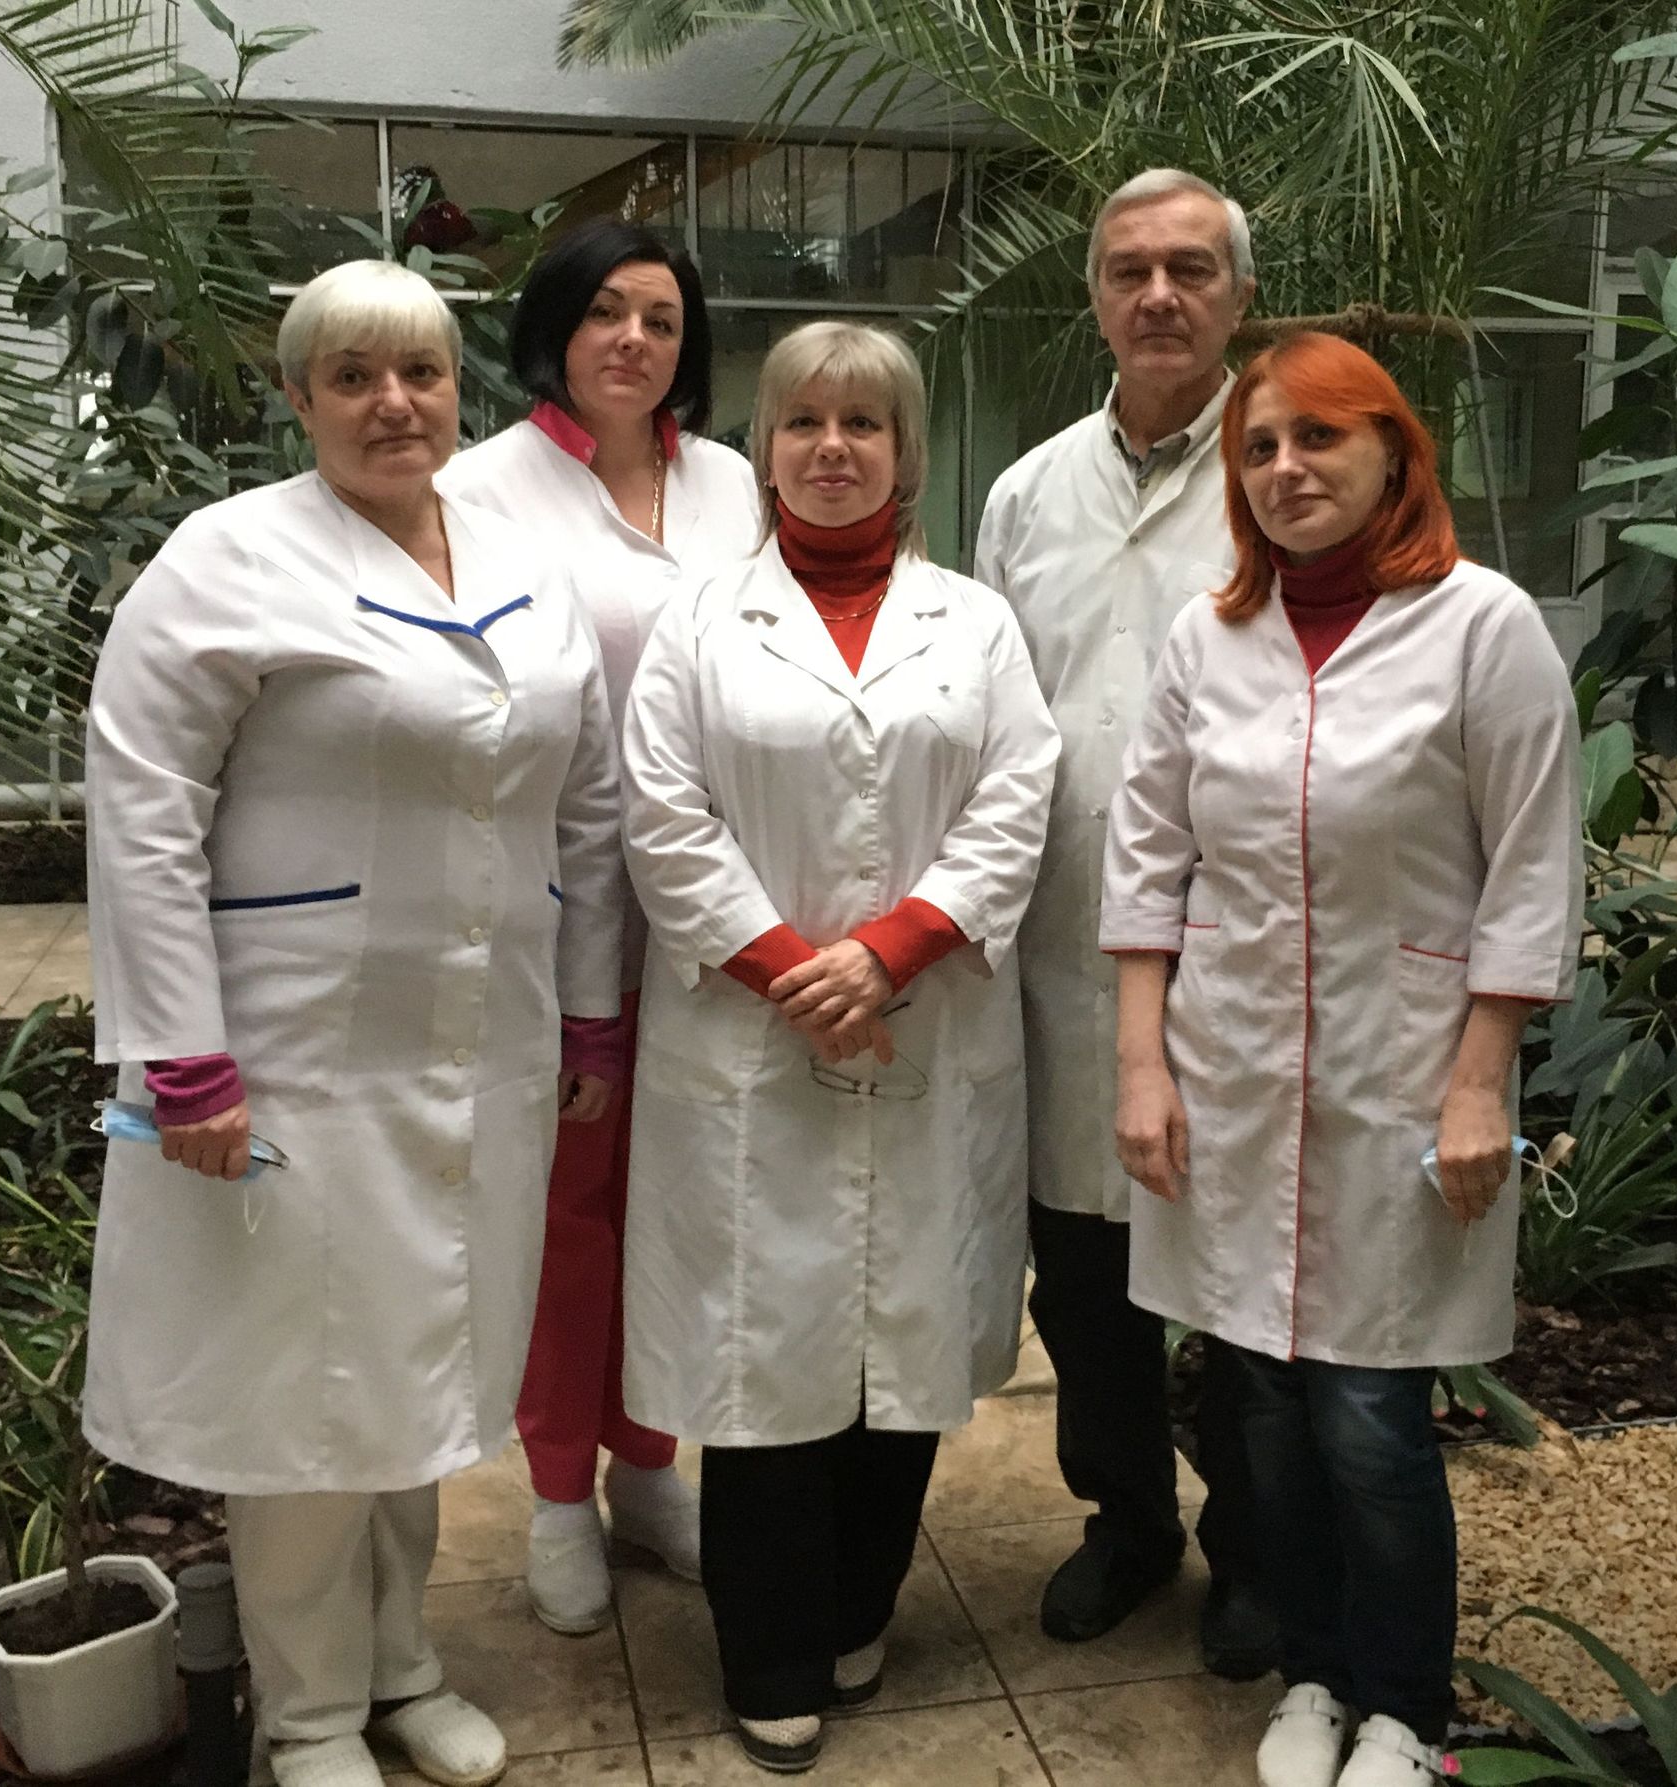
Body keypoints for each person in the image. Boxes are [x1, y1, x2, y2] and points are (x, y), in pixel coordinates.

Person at [83, 258, 627, 1787]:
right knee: (304, 1401)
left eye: (422, 373)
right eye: (354, 376)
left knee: (424, 1369)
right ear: (298, 398)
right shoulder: (228, 559)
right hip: (290, 1063)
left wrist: (591, 1018)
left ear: (460, 389)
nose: (395, 403)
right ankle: (309, 1716)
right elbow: (141, 807)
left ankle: (402, 1666)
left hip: (485, 1046)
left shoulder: (524, 561)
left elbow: (587, 805)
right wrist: (181, 1055)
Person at [1102, 331, 1582, 1787]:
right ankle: (1311, 1677)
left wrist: (1480, 1081)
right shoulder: (1208, 637)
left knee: (1373, 1419)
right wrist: (1141, 1066)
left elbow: (1532, 868)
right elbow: (1147, 859)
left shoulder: (1482, 626)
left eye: (1319, 437)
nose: (1287, 468)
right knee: (1260, 1406)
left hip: (1403, 1073)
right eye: (1260, 447)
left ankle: (1406, 1710)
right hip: (1233, 1070)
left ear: (1392, 454)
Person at [618, 320, 1060, 1773]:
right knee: (764, 1355)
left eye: (862, 424)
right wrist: (790, 966)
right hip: (752, 1047)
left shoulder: (975, 624)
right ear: (764, 449)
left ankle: (863, 1605)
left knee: (905, 1336)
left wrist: (894, 949)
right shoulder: (699, 620)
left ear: (906, 452)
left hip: (922, 1025)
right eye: (802, 421)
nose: (830, 447)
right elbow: (662, 814)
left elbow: (1018, 796)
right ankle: (769, 1651)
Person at [971, 166, 1276, 1674]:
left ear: (1240, 297)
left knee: (1240, 1269)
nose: (1159, 295)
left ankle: (1255, 1546)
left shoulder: (1291, 475)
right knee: (1083, 1272)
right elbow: (982, 712)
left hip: (1244, 959)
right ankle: (1129, 1518)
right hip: (1051, 951)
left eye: (1190, 269)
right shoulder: (1027, 495)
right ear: (1093, 296)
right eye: (1129, 270)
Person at [442, 216, 759, 1636]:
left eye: (663, 320)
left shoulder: (734, 483)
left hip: (723, 911)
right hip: (559, 913)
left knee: (686, 1202)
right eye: (606, 313)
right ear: (555, 329)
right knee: (569, 1216)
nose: (635, 340)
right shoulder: (479, 490)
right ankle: (560, 1488)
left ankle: (648, 1462)